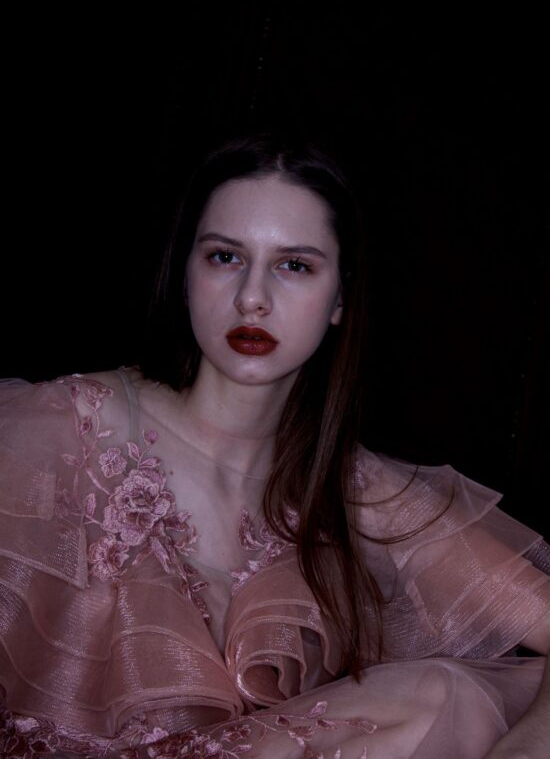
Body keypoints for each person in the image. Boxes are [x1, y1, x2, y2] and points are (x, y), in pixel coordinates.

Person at [1, 132, 549, 759]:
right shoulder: (60, 429)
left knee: (444, 695)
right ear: (185, 274)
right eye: (224, 257)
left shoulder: (360, 492)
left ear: (339, 298)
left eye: (295, 265)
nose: (252, 298)